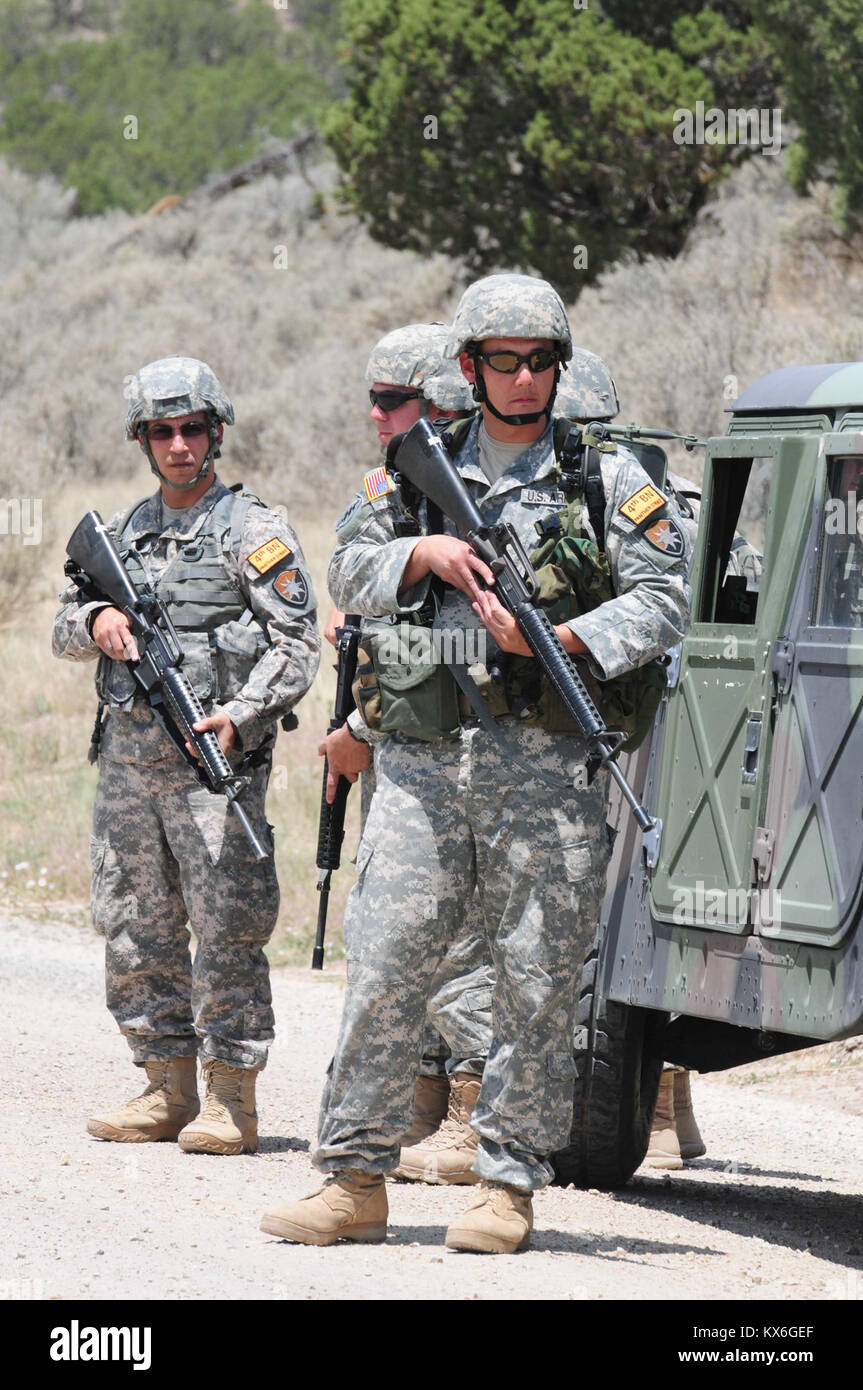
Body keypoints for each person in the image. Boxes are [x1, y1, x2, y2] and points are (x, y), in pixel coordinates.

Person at [260, 274, 690, 1253]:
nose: (525, 378)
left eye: (541, 360)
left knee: (536, 982)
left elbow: (664, 600)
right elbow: (347, 572)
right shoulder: (410, 475)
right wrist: (430, 556)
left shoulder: (605, 477)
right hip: (421, 762)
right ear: (469, 367)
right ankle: (352, 1177)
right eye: (504, 360)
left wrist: (562, 641)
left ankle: (504, 1186)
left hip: (541, 765)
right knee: (383, 965)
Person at [53, 356, 319, 1155]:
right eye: (162, 432)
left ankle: (229, 1098)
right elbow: (63, 628)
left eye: (192, 429)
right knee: (136, 927)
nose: (178, 445)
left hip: (214, 770)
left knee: (228, 927)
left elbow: (298, 644)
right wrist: (98, 615)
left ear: (216, 432)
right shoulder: (125, 532)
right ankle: (163, 1085)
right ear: (143, 439)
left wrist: (240, 713)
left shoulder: (253, 530)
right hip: (130, 773)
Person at [320, 322, 491, 1151]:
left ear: (443, 403)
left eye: (393, 403)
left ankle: (471, 1115)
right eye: (375, 401)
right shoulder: (389, 497)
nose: (377, 418)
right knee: (400, 935)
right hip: (412, 742)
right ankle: (420, 1106)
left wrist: (358, 724)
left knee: (472, 941)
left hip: (493, 742)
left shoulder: (499, 489)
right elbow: (356, 587)